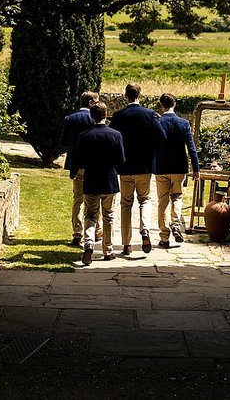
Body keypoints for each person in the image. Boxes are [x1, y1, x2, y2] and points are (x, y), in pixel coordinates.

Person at [108, 82, 166, 255]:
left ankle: (126, 243)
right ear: (140, 95)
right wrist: (151, 149)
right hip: (145, 166)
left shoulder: (118, 116)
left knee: (126, 204)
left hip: (125, 166)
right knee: (145, 199)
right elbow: (162, 137)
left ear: (126, 96)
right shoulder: (150, 115)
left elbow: (111, 138)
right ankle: (145, 229)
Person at [69, 102, 125, 265]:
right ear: (106, 115)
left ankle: (88, 244)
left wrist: (73, 174)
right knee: (108, 216)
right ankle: (108, 250)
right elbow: (121, 159)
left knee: (90, 215)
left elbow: (77, 159)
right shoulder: (116, 135)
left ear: (91, 117)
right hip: (109, 180)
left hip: (91, 180)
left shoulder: (85, 135)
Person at [154, 93, 200, 248]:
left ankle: (164, 236)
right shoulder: (183, 123)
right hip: (179, 167)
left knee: (163, 201)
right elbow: (191, 148)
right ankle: (175, 224)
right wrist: (196, 168)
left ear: (162, 105)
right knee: (177, 197)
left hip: (161, 167)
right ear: (175, 104)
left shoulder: (157, 122)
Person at [60, 91, 102, 246]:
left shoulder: (70, 119)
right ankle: (95, 230)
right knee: (93, 199)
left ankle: (77, 233)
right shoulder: (95, 119)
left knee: (78, 199)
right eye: (96, 101)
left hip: (76, 165)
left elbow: (63, 142)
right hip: (93, 165)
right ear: (91, 102)